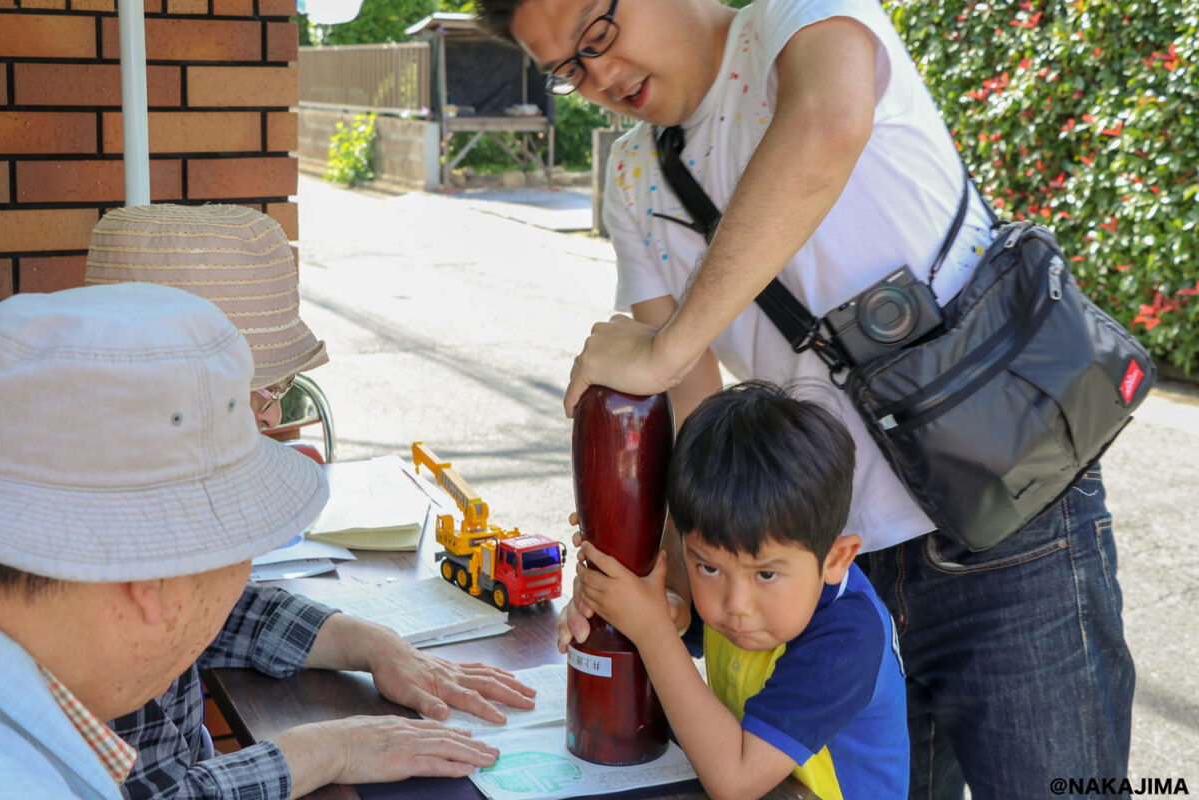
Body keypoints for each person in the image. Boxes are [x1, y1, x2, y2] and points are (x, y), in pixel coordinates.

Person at [475, 0, 1134, 797]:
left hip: (1010, 519)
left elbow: (826, 126)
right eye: (570, 71)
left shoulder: (798, 16)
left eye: (599, 37)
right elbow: (689, 406)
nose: (602, 76)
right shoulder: (633, 174)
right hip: (814, 573)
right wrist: (660, 589)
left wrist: (664, 345)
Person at [80, 205, 537, 800]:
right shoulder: (93, 574)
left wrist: (369, 644)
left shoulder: (115, 491)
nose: (272, 412)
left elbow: (206, 615)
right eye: (263, 389)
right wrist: (331, 749)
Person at [575, 382, 908, 800]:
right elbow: (675, 626)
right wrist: (624, 602)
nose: (736, 606)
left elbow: (735, 782)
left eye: (766, 575)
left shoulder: (848, 636)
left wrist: (652, 629)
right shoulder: (754, 605)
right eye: (708, 567)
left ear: (836, 559)